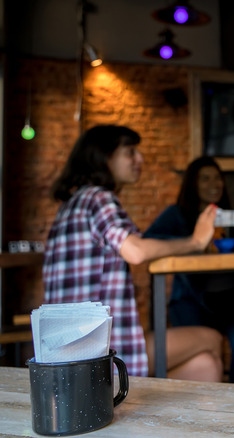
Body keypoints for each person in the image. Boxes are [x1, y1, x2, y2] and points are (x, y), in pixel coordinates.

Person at [43, 125, 223, 381]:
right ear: (105, 158)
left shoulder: (74, 203)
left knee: (205, 366)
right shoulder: (98, 198)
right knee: (212, 338)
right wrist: (196, 241)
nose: (140, 159)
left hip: (70, 348)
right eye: (130, 152)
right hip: (99, 349)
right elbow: (135, 251)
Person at [144, 156, 234, 384]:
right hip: (191, 299)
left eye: (217, 178)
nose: (214, 184)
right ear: (193, 184)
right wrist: (192, 240)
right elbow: (149, 239)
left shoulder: (232, 216)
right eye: (205, 179)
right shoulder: (177, 214)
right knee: (204, 355)